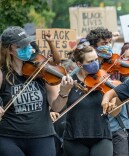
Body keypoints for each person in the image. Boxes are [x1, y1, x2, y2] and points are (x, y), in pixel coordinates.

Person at [0, 26, 72, 156]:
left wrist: (64, 92)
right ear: (10, 49)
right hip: (9, 137)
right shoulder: (2, 74)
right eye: (21, 46)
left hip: (42, 135)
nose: (28, 47)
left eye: (28, 43)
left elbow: (56, 107)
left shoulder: (42, 72)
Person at [60, 43, 119, 156]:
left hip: (102, 136)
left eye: (96, 59)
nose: (95, 63)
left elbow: (115, 113)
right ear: (79, 64)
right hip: (74, 138)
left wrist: (115, 104)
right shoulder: (70, 82)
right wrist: (63, 91)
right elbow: (58, 107)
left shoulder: (104, 80)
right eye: (90, 61)